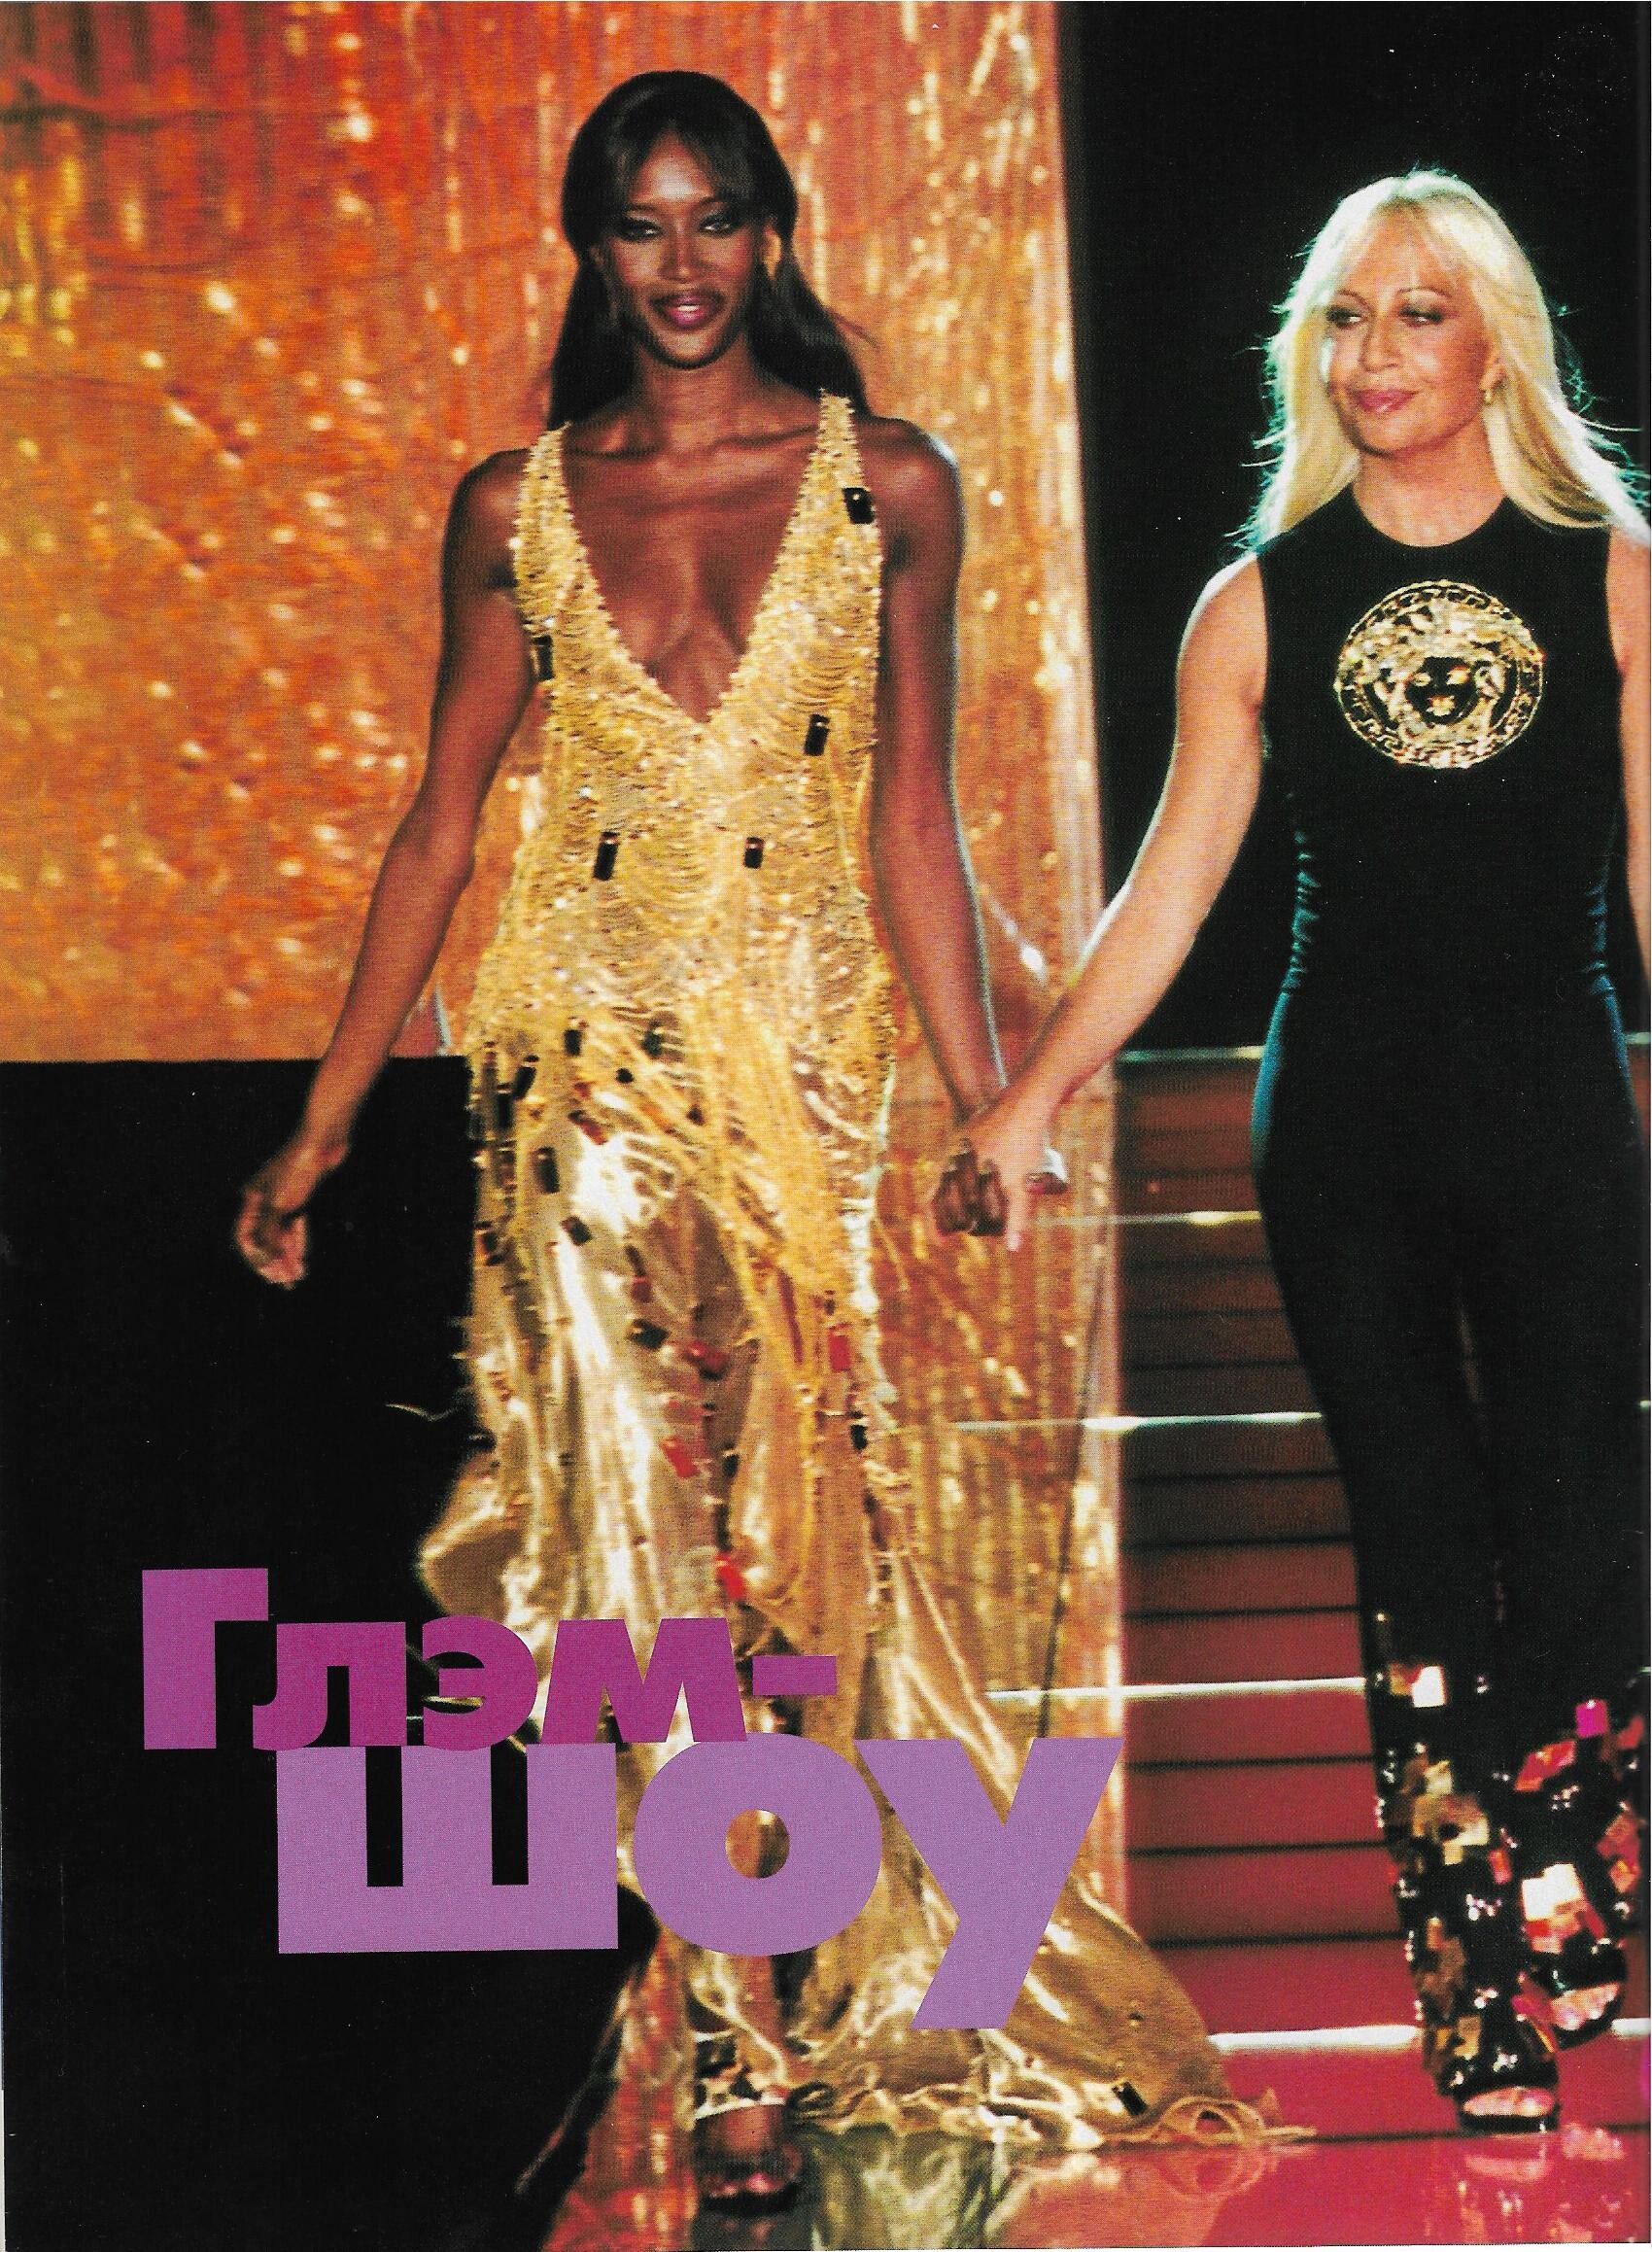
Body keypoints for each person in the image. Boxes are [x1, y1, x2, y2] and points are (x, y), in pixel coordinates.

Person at [238, 70, 1256, 2207]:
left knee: (803, 1542)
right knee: (627, 1520)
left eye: (715, 219)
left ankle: (842, 1957)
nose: (682, 263)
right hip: (575, 1062)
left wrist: (989, 1101)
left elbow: (909, 815)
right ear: (592, 252)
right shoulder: (516, 507)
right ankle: (733, 2033)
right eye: (641, 224)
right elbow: (440, 824)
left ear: (772, 232)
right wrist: (326, 1118)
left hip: (806, 1075)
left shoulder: (888, 483)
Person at [945, 172, 1649, 2134]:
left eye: (1418, 311)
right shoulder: (1256, 603)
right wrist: (1029, 1094)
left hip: (1551, 1096)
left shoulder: (1612, 574)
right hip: (1342, 1113)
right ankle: (1475, 1978)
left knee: (1582, 1509)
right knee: (1416, 1530)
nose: (1375, 351)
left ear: (1493, 341)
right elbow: (1170, 890)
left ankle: (1570, 1846)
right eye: (1344, 315)